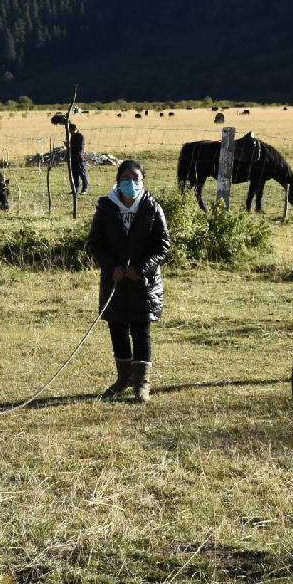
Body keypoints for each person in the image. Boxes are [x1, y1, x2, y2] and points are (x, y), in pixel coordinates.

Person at [86, 159, 172, 402]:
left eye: (136, 179)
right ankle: (123, 379)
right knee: (117, 330)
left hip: (143, 283)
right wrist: (111, 266)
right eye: (126, 179)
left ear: (143, 181)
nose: (131, 183)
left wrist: (140, 269)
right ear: (118, 181)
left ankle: (142, 383)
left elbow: (163, 244)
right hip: (114, 282)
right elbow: (95, 242)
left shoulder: (152, 207)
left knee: (141, 330)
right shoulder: (106, 207)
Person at [67, 123, 88, 195]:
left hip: (79, 157)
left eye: (71, 131)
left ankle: (84, 189)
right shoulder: (72, 136)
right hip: (73, 157)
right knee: (75, 174)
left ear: (74, 129)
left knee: (82, 173)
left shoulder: (80, 136)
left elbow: (79, 147)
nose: (70, 132)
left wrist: (69, 147)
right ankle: (76, 189)